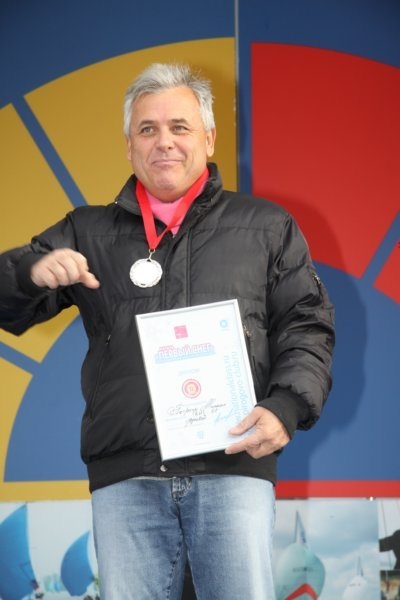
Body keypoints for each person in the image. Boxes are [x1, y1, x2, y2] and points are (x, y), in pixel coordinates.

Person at [0, 63, 335, 599]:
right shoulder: (87, 231)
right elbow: (7, 302)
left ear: (208, 137)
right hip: (126, 479)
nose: (164, 142)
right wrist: (28, 273)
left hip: (233, 466)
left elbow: (307, 325)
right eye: (147, 129)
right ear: (129, 145)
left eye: (180, 127)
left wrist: (287, 406)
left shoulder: (267, 227)